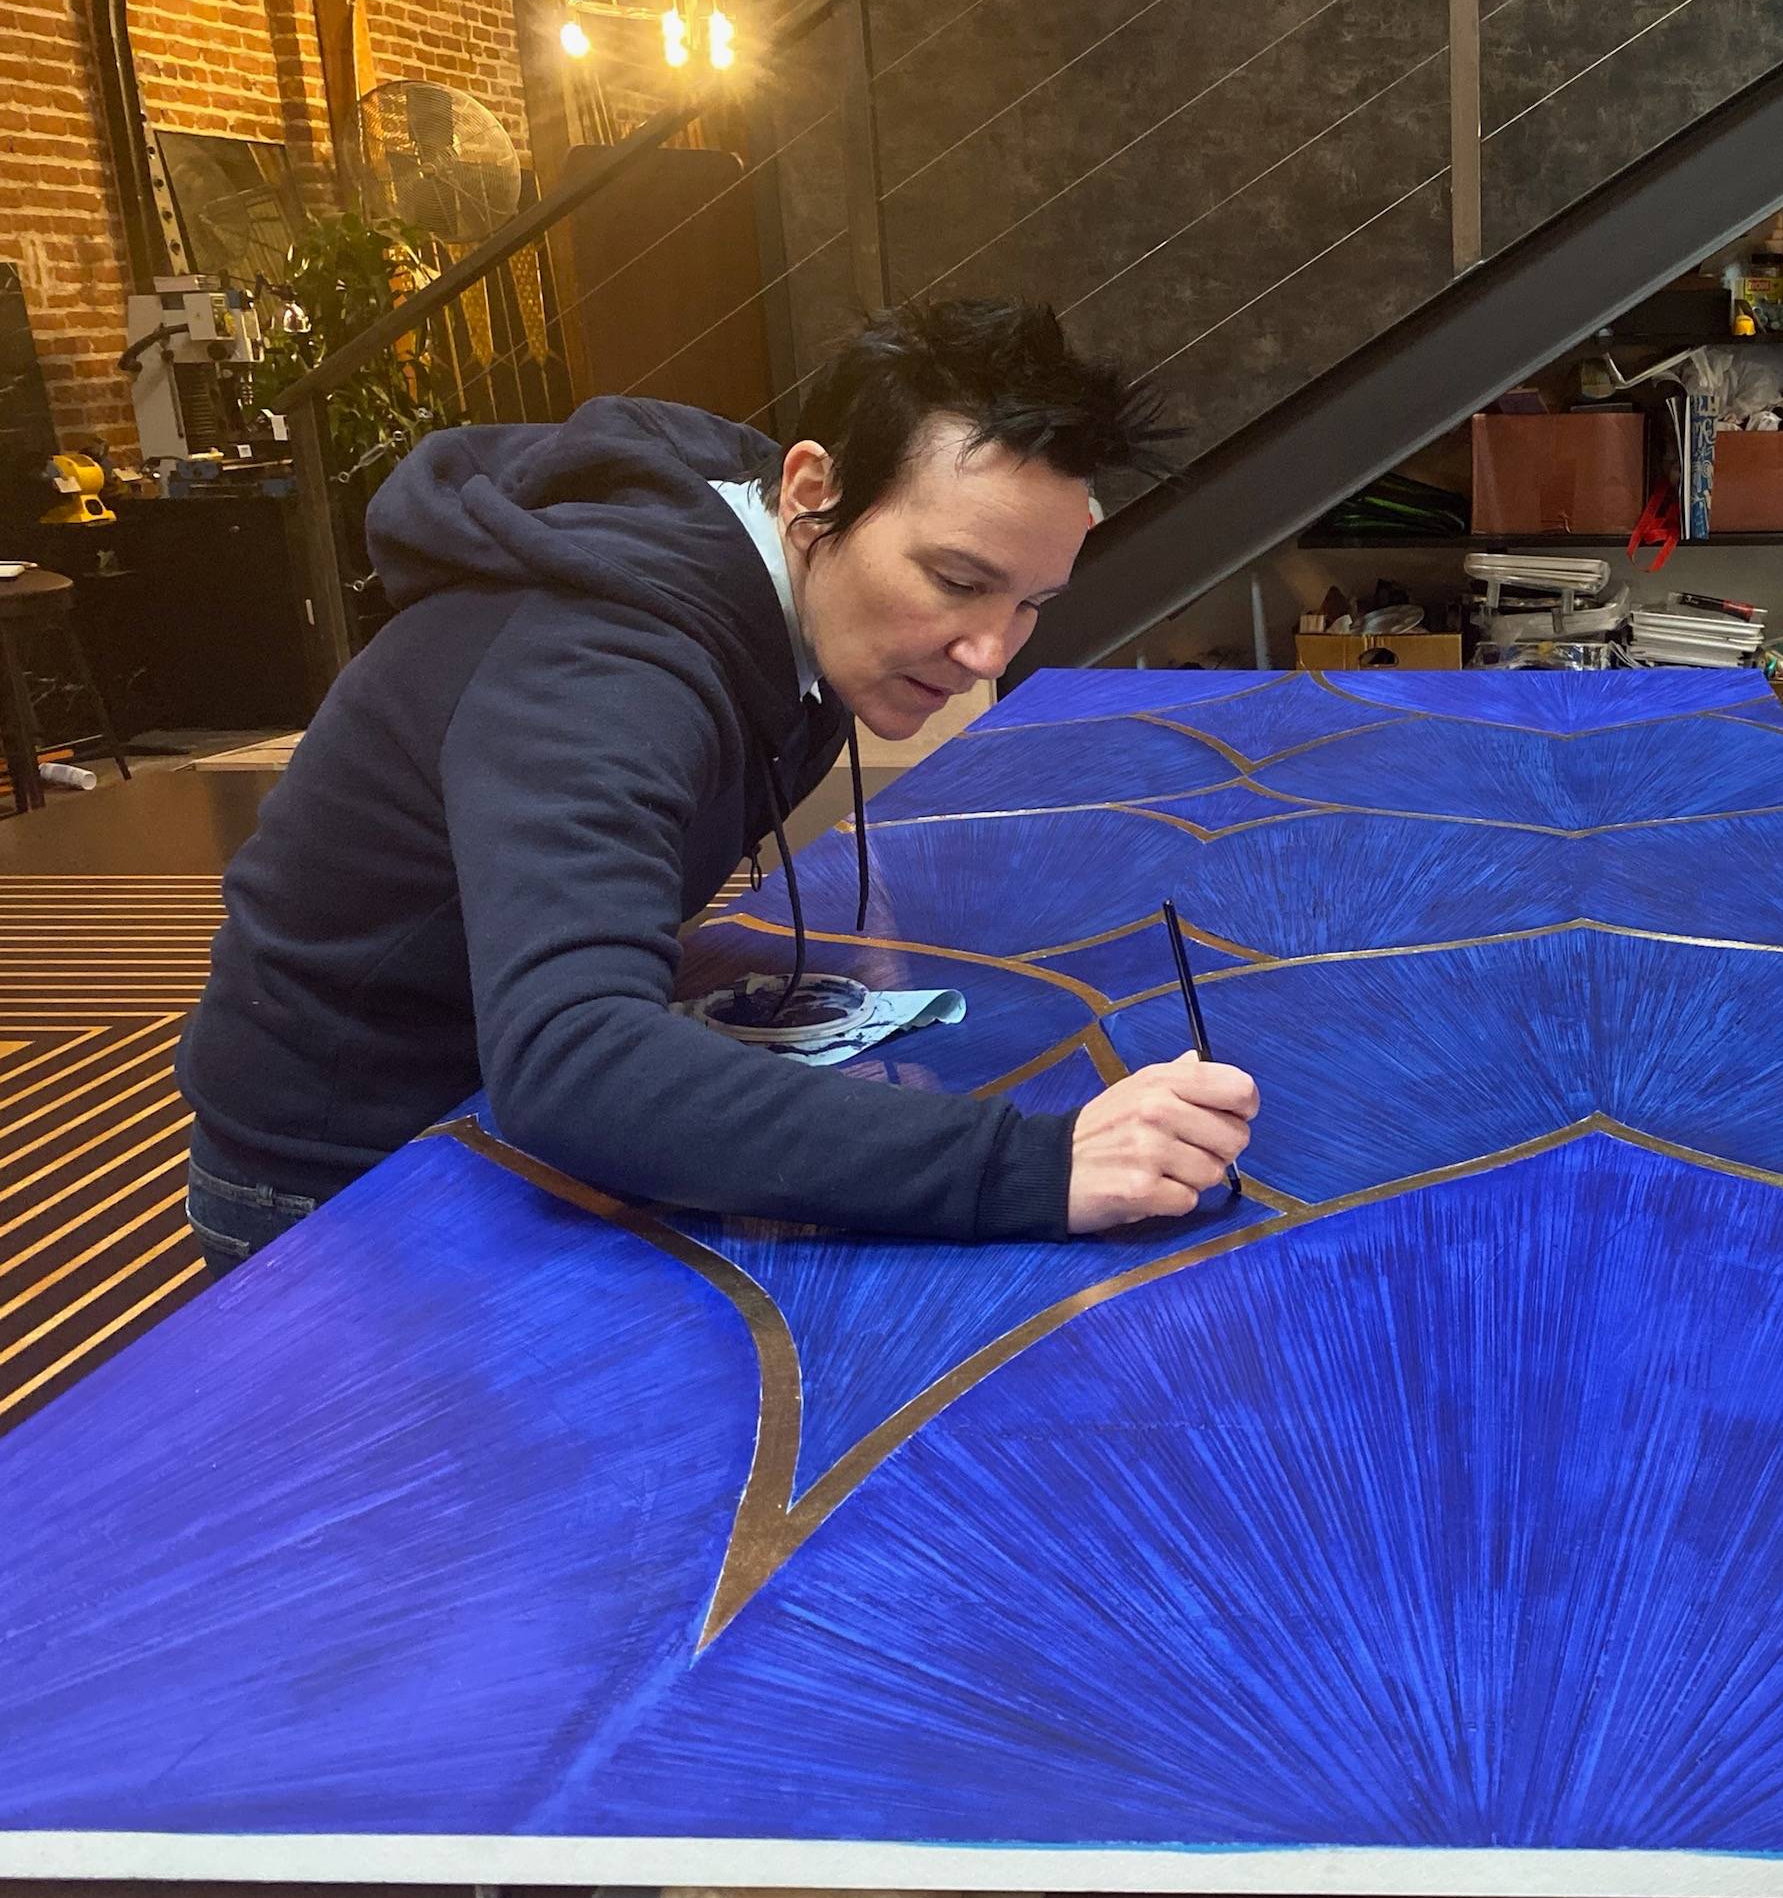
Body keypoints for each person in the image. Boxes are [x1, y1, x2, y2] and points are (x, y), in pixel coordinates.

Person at [179, 300, 1258, 1277]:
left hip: (473, 1086)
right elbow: (572, 1063)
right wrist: (1035, 1167)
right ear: (809, 493)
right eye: (959, 581)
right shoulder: (601, 669)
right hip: (341, 1161)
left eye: (1032, 603)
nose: (988, 649)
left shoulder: (804, 584)